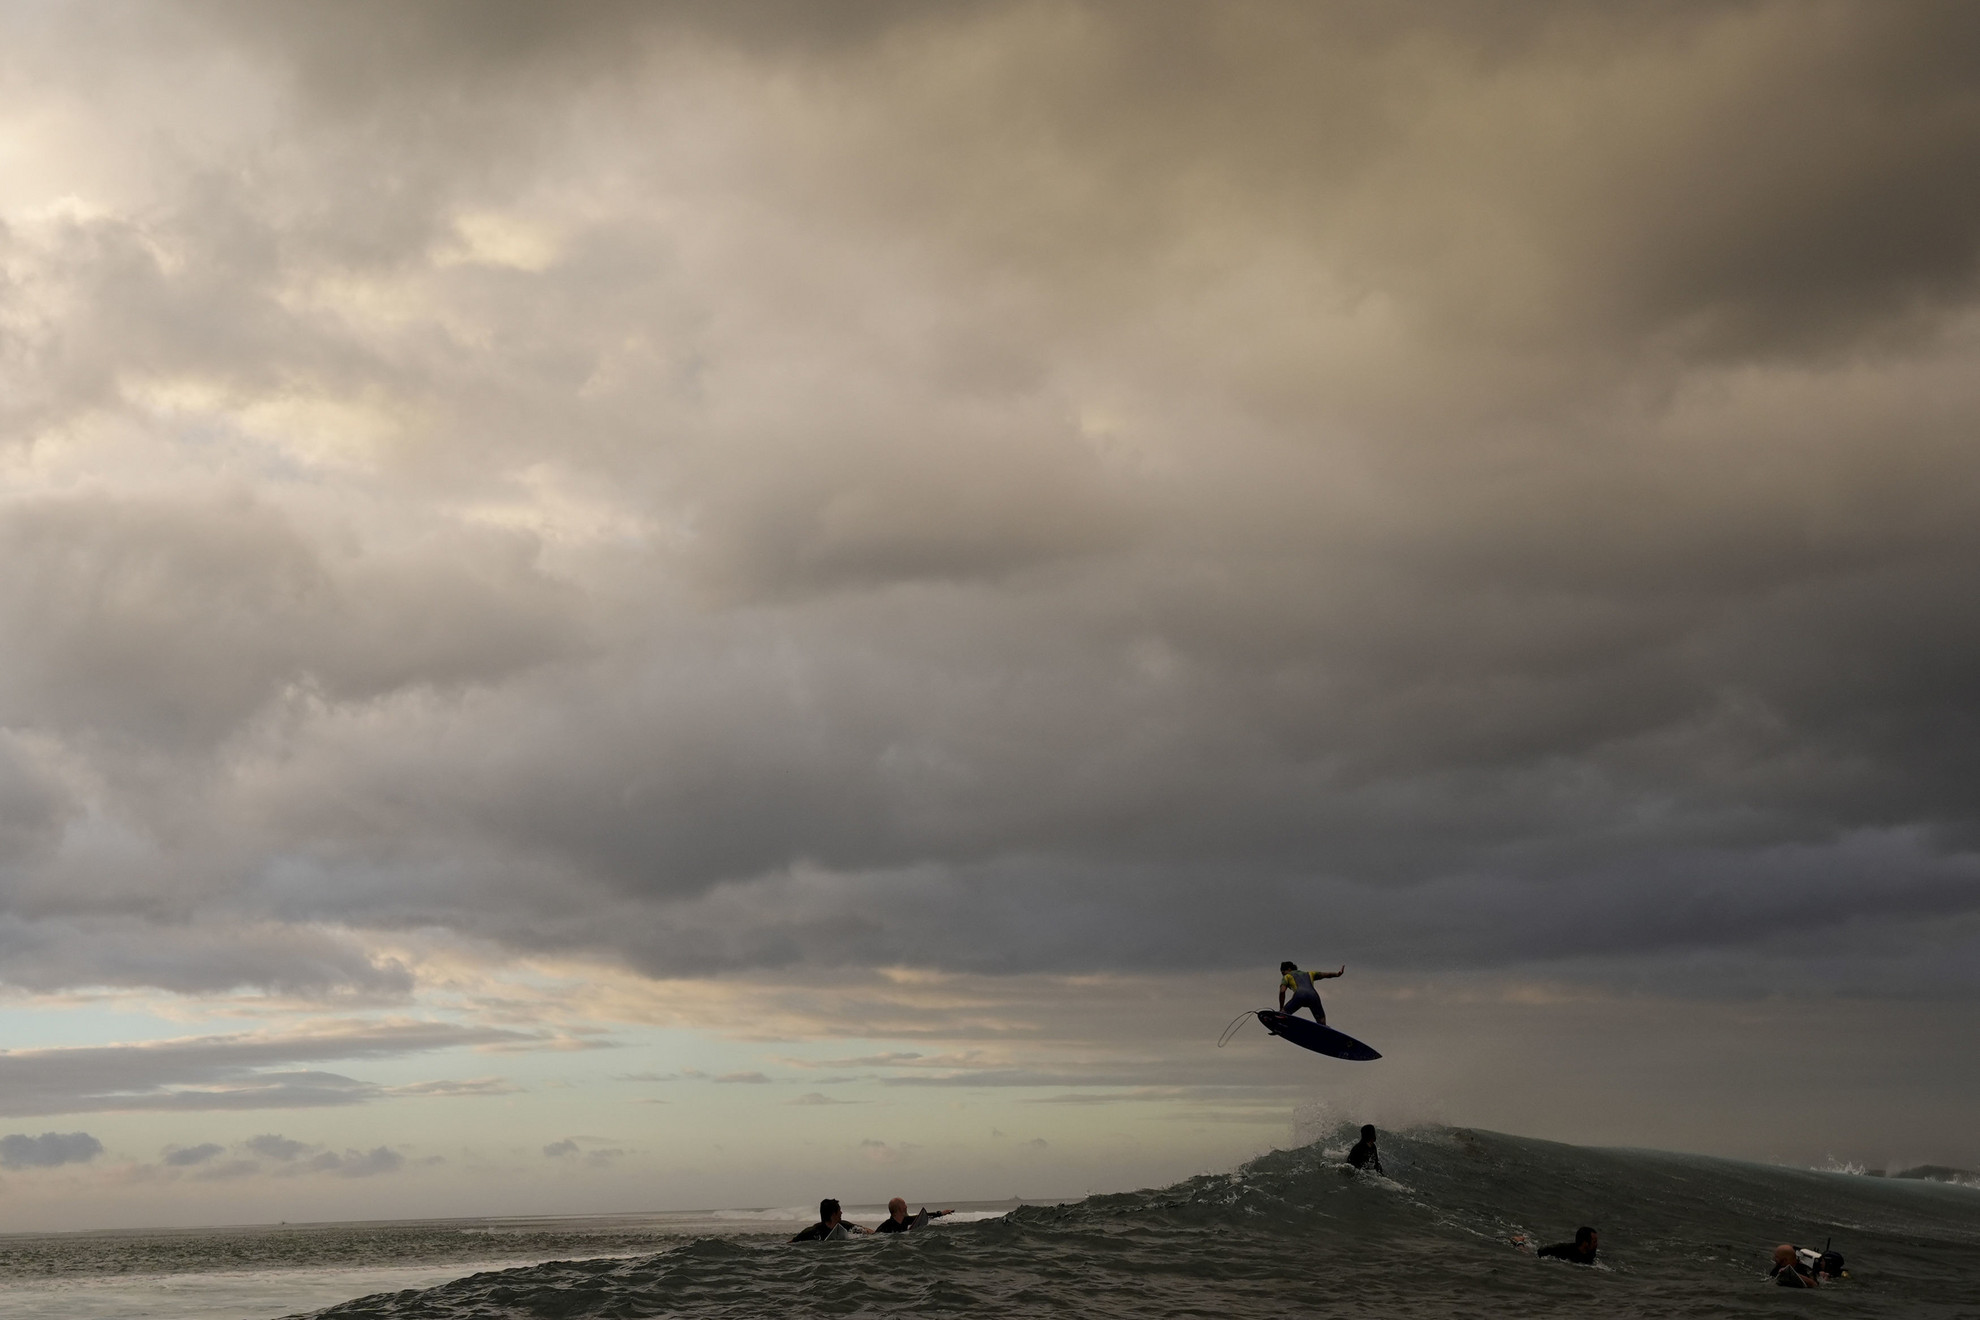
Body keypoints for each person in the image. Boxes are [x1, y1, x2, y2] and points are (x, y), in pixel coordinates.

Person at [1278, 961, 1345, 1024]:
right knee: (1321, 1021)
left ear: (1289, 969)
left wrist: (1281, 1008)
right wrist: (1337, 974)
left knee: (1283, 1014)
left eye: (1283, 973)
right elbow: (1326, 974)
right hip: (1314, 997)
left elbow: (1282, 991)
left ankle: (1279, 1024)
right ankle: (1323, 1029)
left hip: (1300, 996)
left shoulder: (1287, 977)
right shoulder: (1310, 974)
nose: (1283, 975)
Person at [790, 1198, 869, 1242]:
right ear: (833, 1214)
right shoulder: (812, 1232)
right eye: (839, 1210)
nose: (841, 1213)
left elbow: (866, 1230)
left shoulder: (844, 1225)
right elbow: (791, 1244)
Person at [873, 1197, 954, 1233]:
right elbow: (876, 1237)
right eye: (904, 1204)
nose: (906, 1206)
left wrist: (940, 1213)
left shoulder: (906, 1220)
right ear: (900, 1208)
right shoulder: (886, 1226)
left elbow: (923, 1216)